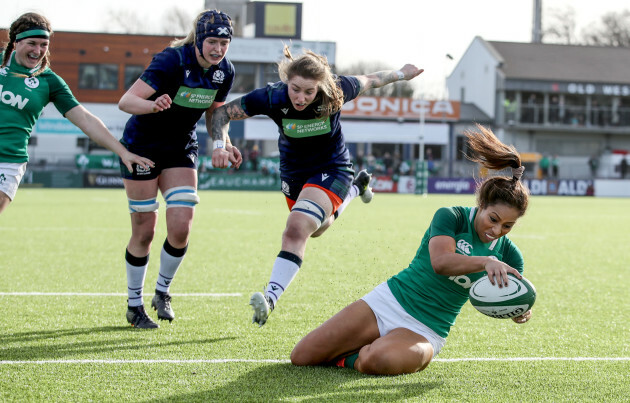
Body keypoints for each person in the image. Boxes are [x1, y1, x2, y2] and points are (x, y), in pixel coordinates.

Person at [291, 124, 532, 375]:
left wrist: (519, 309)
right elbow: (441, 262)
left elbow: (506, 296)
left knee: (378, 360)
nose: (497, 230)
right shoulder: (452, 217)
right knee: (302, 357)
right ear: (481, 204)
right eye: (493, 219)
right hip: (389, 301)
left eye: (508, 225)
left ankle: (359, 356)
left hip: (427, 330)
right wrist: (485, 261)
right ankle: (364, 348)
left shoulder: (510, 256)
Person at [211, 45, 424, 326]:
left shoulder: (337, 89)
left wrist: (400, 74)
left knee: (297, 227)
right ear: (287, 80)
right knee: (316, 229)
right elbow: (221, 115)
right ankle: (356, 189)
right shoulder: (272, 96)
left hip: (332, 168)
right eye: (295, 89)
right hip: (294, 173)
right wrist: (221, 144)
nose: (300, 98)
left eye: (309, 92)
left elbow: (372, 79)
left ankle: (270, 298)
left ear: (320, 87)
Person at [117, 9, 242, 329]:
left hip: (180, 149)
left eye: (224, 43)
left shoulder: (224, 72)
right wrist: (153, 105)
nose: (218, 49)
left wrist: (221, 146)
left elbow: (217, 116)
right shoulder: (171, 61)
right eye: (212, 42)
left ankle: (162, 293)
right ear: (199, 40)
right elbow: (127, 102)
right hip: (141, 147)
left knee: (182, 225)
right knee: (144, 230)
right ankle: (134, 306)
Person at [0, 12, 153, 215]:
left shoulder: (49, 81)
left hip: (9, 161)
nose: (38, 50)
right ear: (16, 42)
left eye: (43, 45)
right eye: (32, 43)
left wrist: (122, 151)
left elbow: (86, 120)